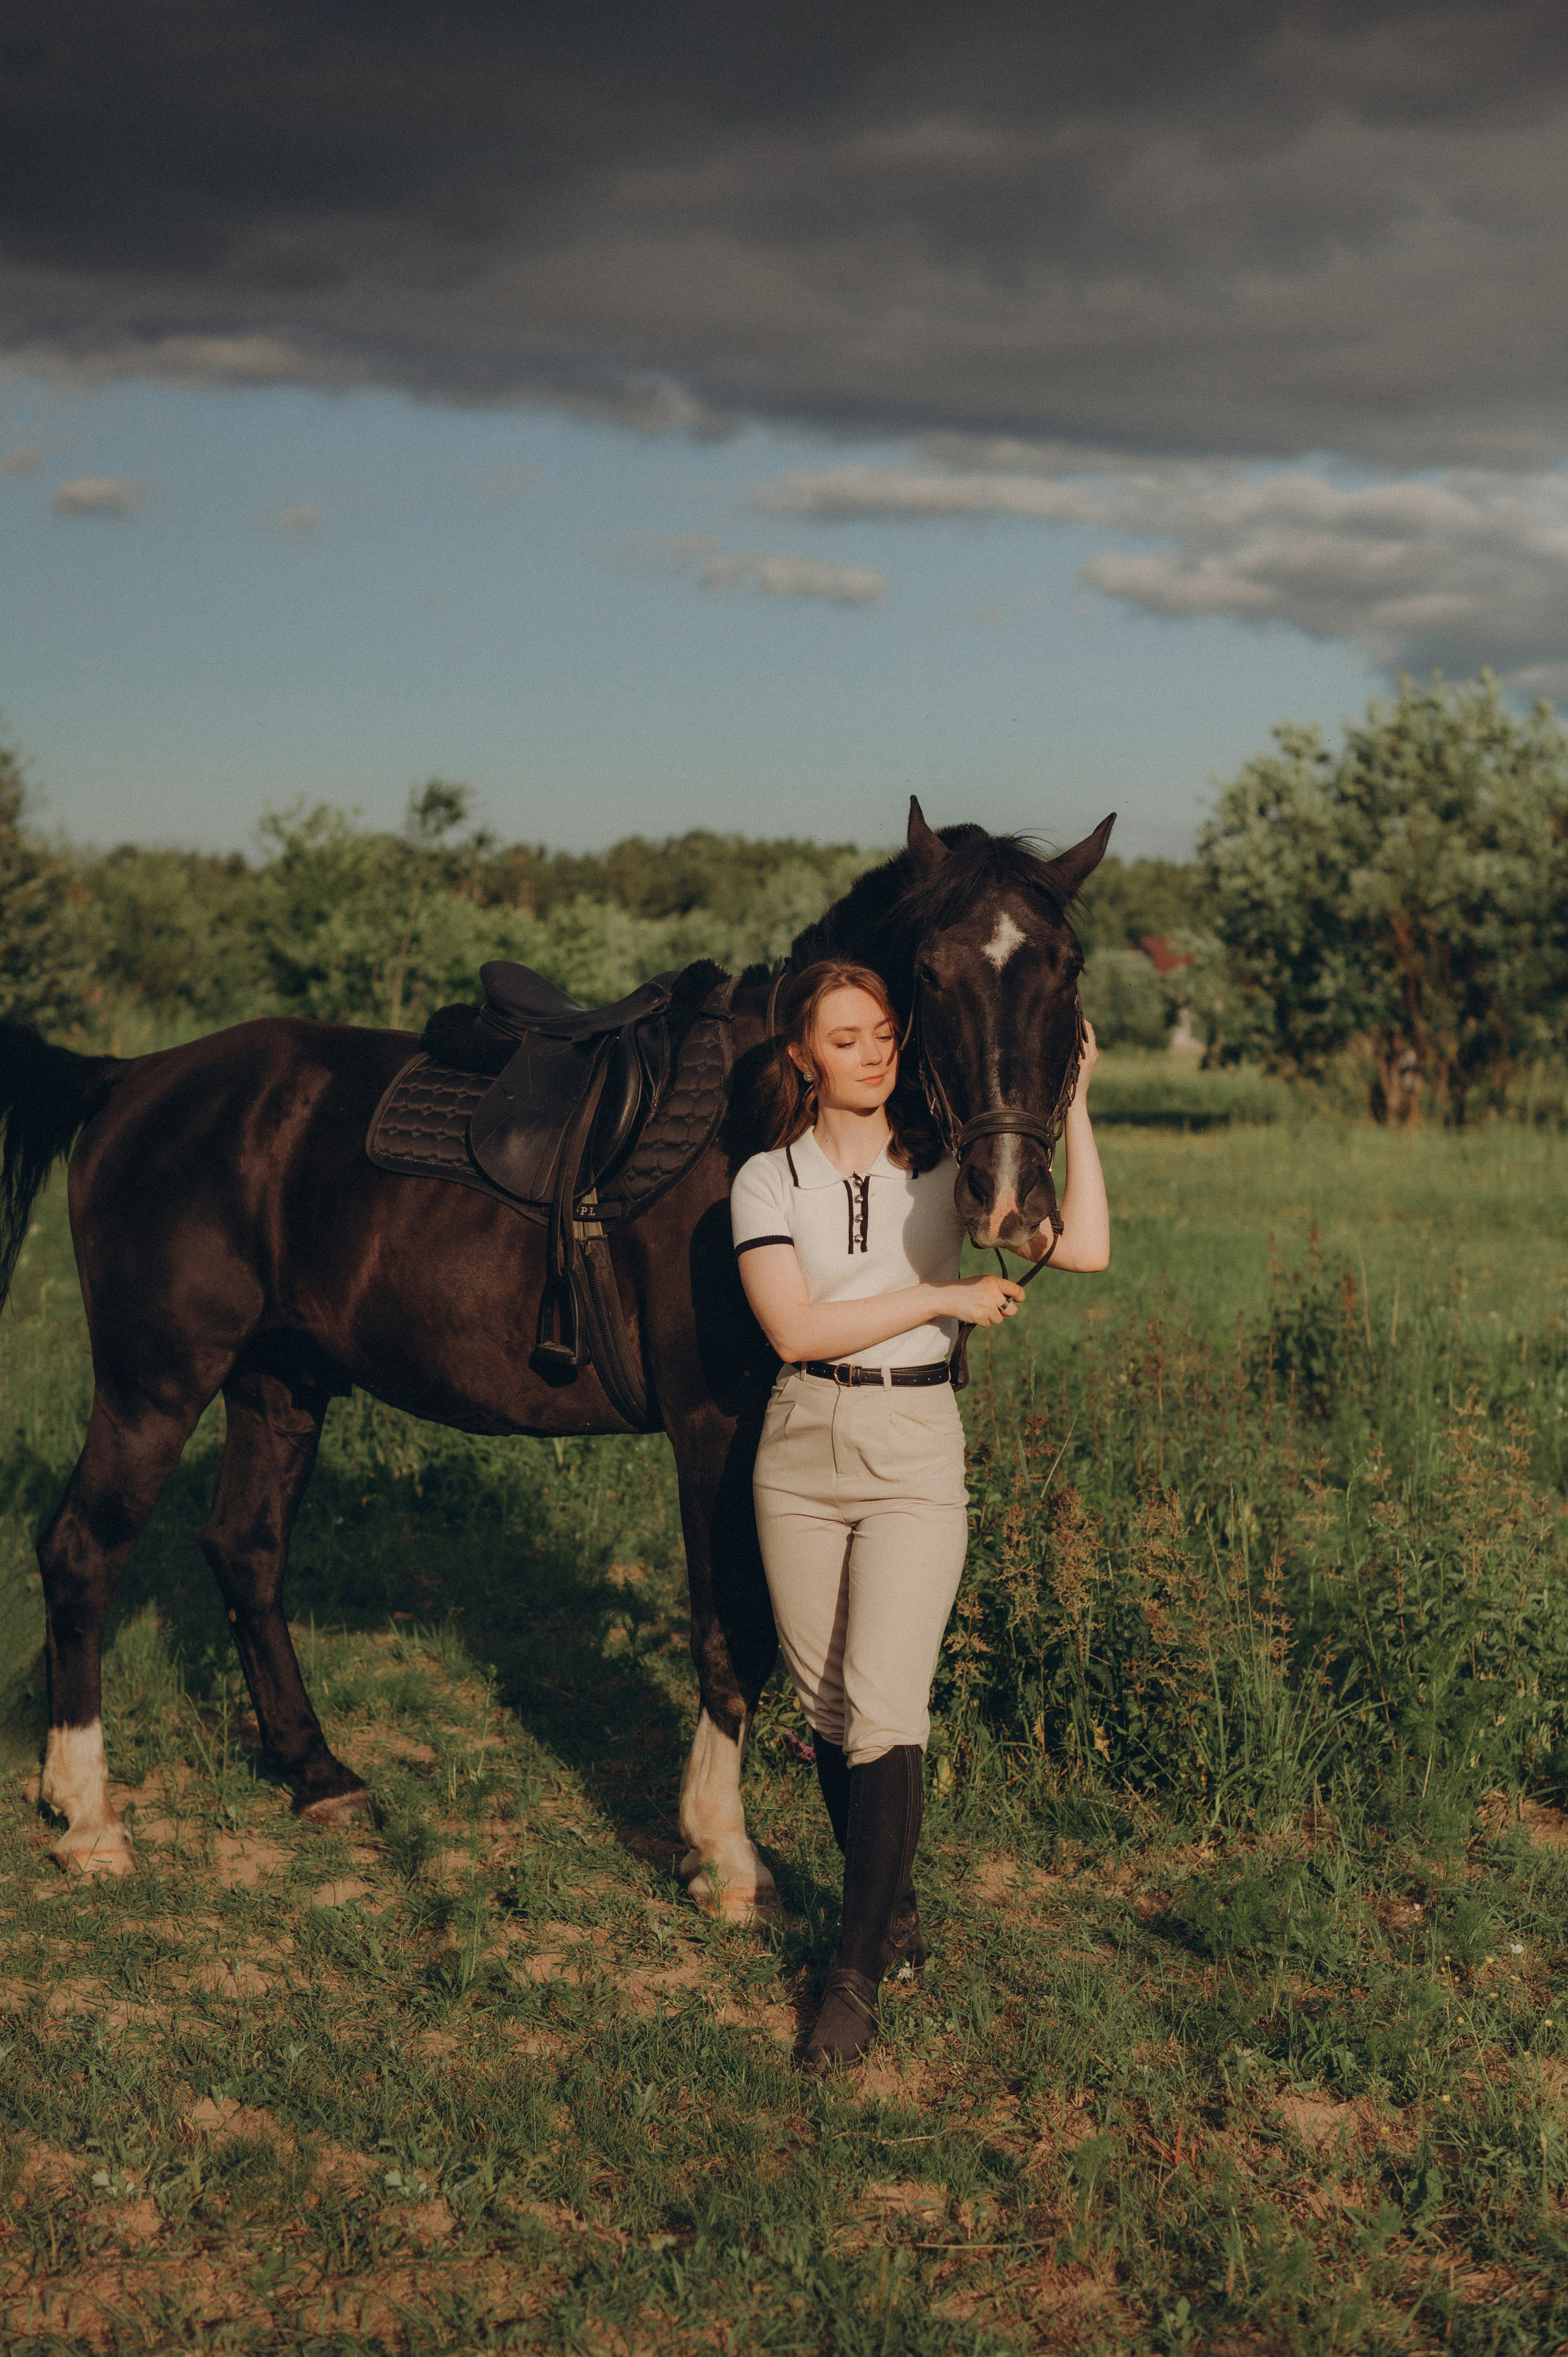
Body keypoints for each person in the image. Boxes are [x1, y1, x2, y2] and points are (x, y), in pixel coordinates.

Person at [730, 957, 1109, 2073]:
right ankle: (887, 1913)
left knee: (887, 1703)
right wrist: (944, 1295)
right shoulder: (766, 1180)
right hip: (798, 1447)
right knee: (826, 1706)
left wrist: (1077, 1106)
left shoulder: (947, 1171)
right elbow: (793, 1331)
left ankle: (850, 1979)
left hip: (912, 1446)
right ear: (803, 1057)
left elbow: (1084, 1249)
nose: (872, 1054)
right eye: (845, 1039)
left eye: (884, 1034)